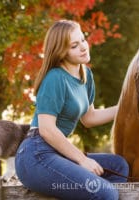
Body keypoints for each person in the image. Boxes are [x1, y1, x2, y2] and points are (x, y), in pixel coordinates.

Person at [15, 19, 129, 200]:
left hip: (56, 152)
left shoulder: (85, 75)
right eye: (74, 46)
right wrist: (82, 160)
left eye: (83, 40)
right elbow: (47, 130)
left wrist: (126, 107)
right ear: (61, 52)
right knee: (105, 193)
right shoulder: (55, 78)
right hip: (36, 155)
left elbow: (89, 118)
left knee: (119, 167)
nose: (84, 47)